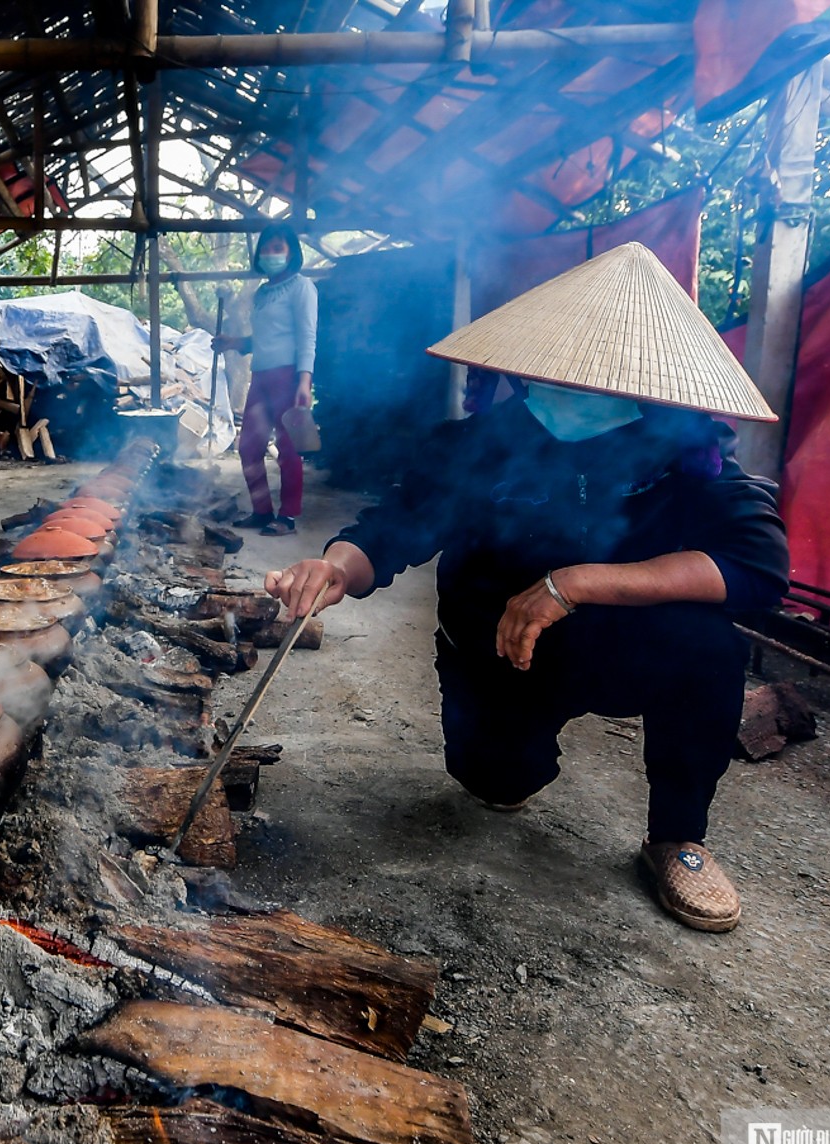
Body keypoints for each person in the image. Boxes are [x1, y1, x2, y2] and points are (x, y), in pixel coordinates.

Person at [265, 243, 789, 934]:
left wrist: (573, 583)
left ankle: (678, 837)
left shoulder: (689, 454)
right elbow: (397, 525)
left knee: (709, 644)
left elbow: (758, 565)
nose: (564, 395)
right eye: (553, 376)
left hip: (620, 644)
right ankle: (509, 752)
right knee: (495, 780)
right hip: (496, 644)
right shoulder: (484, 443)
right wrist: (336, 565)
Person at [216, 223, 317, 536]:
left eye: (278, 247)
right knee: (248, 447)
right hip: (260, 376)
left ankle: (287, 517)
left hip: (288, 377)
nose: (271, 253)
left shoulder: (302, 287)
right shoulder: (262, 292)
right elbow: (262, 340)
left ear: (291, 252)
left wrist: (304, 381)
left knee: (289, 449)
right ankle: (262, 511)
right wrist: (232, 342)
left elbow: (306, 337)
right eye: (266, 248)